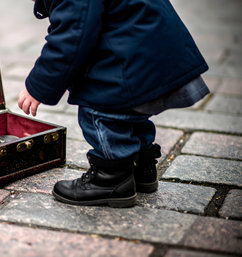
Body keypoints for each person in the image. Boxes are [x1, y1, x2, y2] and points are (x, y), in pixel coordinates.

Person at [18, 0, 209, 207]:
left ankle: (111, 177)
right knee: (129, 110)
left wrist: (37, 86)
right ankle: (141, 166)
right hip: (150, 50)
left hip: (130, 59)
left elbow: (71, 37)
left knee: (100, 111)